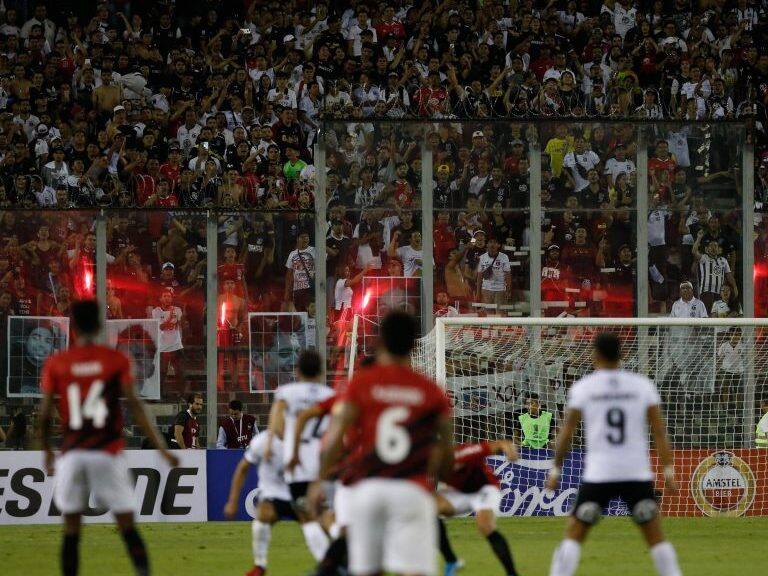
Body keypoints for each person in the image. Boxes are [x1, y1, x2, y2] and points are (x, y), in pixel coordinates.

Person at [38, 299, 178, 576]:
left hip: (72, 454)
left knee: (71, 530)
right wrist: (162, 449)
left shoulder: (57, 363)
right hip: (107, 453)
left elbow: (43, 416)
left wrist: (46, 452)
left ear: (73, 327)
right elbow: (136, 407)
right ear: (101, 325)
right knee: (127, 526)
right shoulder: (115, 360)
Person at [320, 311, 454, 576]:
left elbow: (334, 438)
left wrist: (319, 482)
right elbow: (446, 456)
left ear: (380, 341)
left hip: (368, 490)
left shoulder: (361, 384)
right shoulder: (432, 391)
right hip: (411, 490)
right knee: (415, 570)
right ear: (415, 345)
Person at [546, 332, 681, 576]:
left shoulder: (583, 388)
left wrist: (556, 469)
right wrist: (668, 470)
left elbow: (566, 433)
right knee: (655, 536)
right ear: (623, 354)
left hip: (599, 474)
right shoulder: (642, 386)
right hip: (636, 474)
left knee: (574, 533)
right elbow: (659, 431)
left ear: (595, 355)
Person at [266, 350, 333, 563]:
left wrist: (281, 443)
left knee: (307, 515)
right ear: (321, 371)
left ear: (297, 370)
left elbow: (276, 425)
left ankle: (330, 563)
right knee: (321, 512)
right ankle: (338, 555)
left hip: (297, 463)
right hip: (323, 461)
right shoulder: (328, 395)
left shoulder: (287, 392)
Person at [437, 440, 521, 576]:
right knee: (429, 509)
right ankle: (451, 560)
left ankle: (512, 574)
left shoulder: (464, 452)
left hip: (485, 489)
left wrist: (509, 450)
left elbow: (500, 444)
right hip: (461, 493)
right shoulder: (426, 464)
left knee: (485, 526)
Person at [223, 430, 297, 576]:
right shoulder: (261, 441)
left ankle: (333, 561)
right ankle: (260, 566)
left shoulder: (305, 439)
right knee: (262, 516)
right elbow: (242, 468)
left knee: (318, 523)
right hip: (276, 494)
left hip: (301, 491)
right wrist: (232, 501)